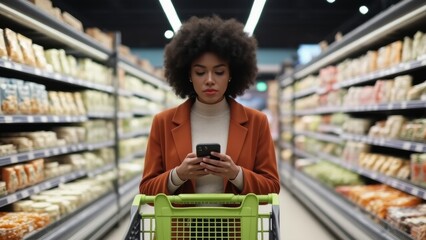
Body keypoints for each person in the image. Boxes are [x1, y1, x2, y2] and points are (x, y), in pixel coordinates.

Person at [139, 15, 280, 196]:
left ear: (232, 74)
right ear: (188, 74)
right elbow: (147, 191)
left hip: (236, 224)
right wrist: (178, 175)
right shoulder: (163, 122)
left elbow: (272, 188)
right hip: (182, 224)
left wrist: (236, 174)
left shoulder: (257, 122)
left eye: (219, 72)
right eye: (200, 72)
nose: (210, 80)